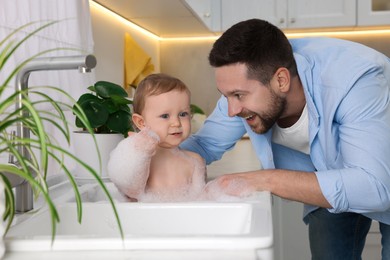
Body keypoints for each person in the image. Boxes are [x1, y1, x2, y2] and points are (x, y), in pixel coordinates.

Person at [180, 19, 390, 259]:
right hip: (328, 176)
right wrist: (151, 158)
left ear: (281, 80)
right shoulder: (249, 84)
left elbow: (375, 187)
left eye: (238, 95)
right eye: (227, 96)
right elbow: (204, 145)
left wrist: (265, 179)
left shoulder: (355, 81)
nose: (231, 110)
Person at [107, 73, 206, 202]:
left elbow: (203, 204)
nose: (176, 123)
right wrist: (141, 150)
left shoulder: (195, 162)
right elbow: (131, 193)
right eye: (165, 116)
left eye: (183, 114)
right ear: (141, 123)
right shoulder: (140, 163)